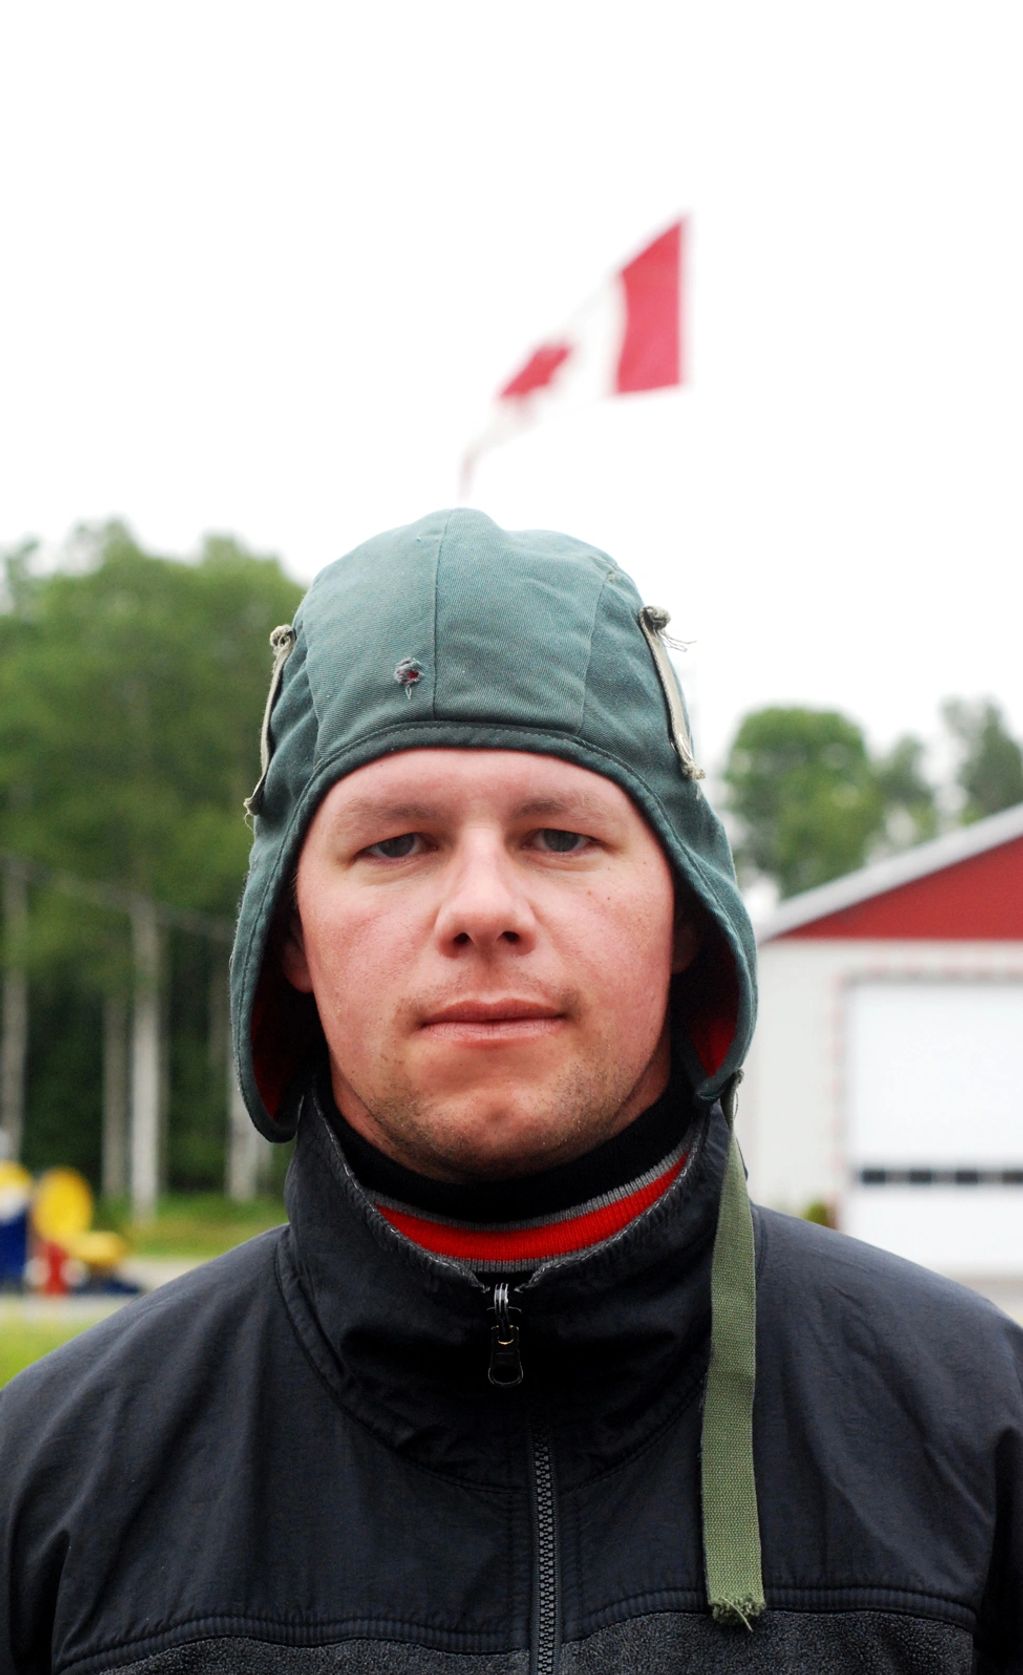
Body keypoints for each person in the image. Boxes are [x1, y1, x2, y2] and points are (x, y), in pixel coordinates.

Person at [1, 508, 1021, 1673]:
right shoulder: (55, 1489)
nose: (482, 907)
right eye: (397, 844)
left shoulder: (979, 1441)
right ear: (290, 929)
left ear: (684, 910)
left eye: (559, 837)